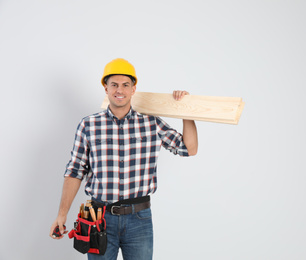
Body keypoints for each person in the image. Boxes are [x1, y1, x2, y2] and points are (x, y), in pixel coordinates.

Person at [49, 58, 198, 260]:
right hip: (98, 218)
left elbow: (189, 148)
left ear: (133, 89)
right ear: (106, 88)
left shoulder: (151, 123)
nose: (120, 90)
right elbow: (75, 171)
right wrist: (62, 214)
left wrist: (185, 110)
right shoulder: (89, 125)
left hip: (139, 219)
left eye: (125, 85)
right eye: (114, 85)